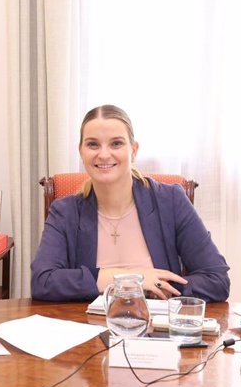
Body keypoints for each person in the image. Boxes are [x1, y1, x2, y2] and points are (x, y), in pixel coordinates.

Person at [31, 105, 230, 302]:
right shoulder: (65, 211)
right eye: (93, 144)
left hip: (156, 329)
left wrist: (158, 286)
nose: (104, 154)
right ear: (81, 151)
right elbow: (43, 282)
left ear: (133, 150)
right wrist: (132, 279)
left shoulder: (171, 201)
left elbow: (217, 280)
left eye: (116, 144)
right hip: (89, 328)